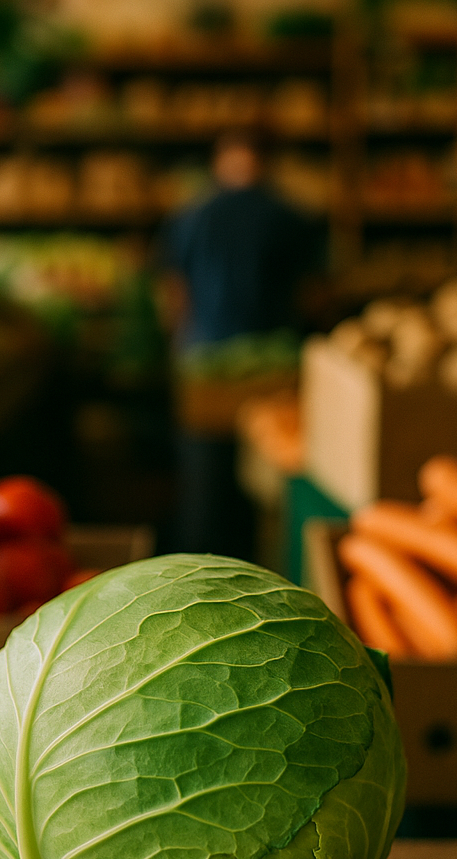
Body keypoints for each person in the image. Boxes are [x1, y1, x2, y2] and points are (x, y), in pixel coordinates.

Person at [157, 129, 320, 560]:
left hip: (205, 362)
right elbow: (312, 292)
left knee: (204, 483)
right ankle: (263, 565)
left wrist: (178, 341)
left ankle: (198, 566)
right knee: (269, 483)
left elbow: (174, 289)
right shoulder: (289, 216)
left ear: (220, 162)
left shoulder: (192, 214)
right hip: (273, 363)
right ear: (265, 163)